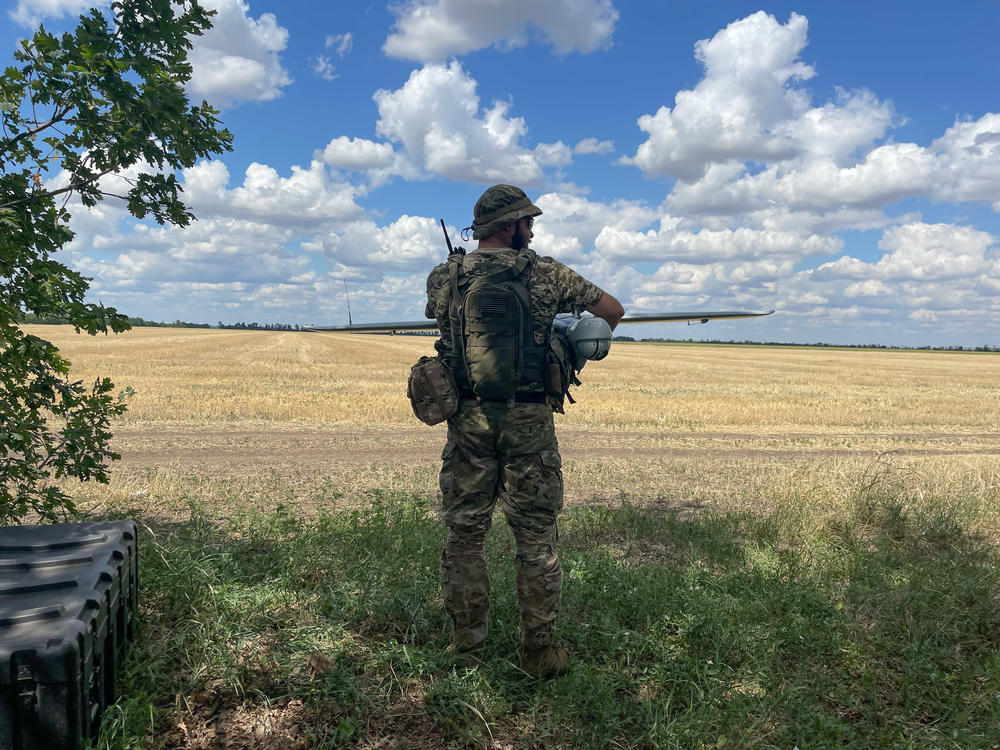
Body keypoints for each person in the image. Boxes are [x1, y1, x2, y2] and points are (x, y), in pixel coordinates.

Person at [424, 184, 624, 677]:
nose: (532, 231)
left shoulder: (443, 276)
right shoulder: (548, 273)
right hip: (530, 422)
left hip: (467, 421)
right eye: (528, 223)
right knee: (535, 537)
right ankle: (539, 654)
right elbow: (612, 312)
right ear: (511, 226)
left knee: (464, 535)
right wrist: (563, 336)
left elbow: (439, 319)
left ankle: (466, 646)